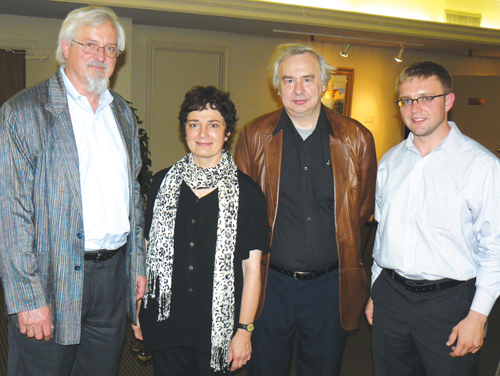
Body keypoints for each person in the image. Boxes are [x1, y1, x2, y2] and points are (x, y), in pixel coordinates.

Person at [0, 6, 146, 376]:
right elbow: (10, 213)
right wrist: (27, 297)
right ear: (66, 47)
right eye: (90, 45)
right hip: (51, 279)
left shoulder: (123, 115)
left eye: (111, 49)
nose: (101, 56)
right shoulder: (25, 112)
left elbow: (134, 198)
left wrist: (137, 267)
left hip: (112, 278)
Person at [234, 43, 377, 375]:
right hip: (269, 288)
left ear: (324, 84)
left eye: (307, 79)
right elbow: (242, 212)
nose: (298, 90)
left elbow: (362, 209)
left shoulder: (356, 138)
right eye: (288, 80)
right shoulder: (255, 136)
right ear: (277, 86)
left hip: (330, 288)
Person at [365, 61, 500, 375]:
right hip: (392, 297)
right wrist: (376, 293)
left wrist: (478, 316)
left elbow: (495, 249)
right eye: (407, 100)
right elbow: (383, 234)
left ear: (448, 101)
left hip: (450, 304)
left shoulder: (482, 166)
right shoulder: (390, 162)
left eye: (427, 98)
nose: (415, 108)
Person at [132, 86, 270, 375]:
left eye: (214, 125)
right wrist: (137, 310)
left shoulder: (248, 193)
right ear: (184, 131)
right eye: (194, 124)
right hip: (164, 322)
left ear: (227, 132)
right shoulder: (161, 184)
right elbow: (144, 254)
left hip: (217, 329)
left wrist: (244, 330)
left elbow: (252, 270)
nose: (203, 134)